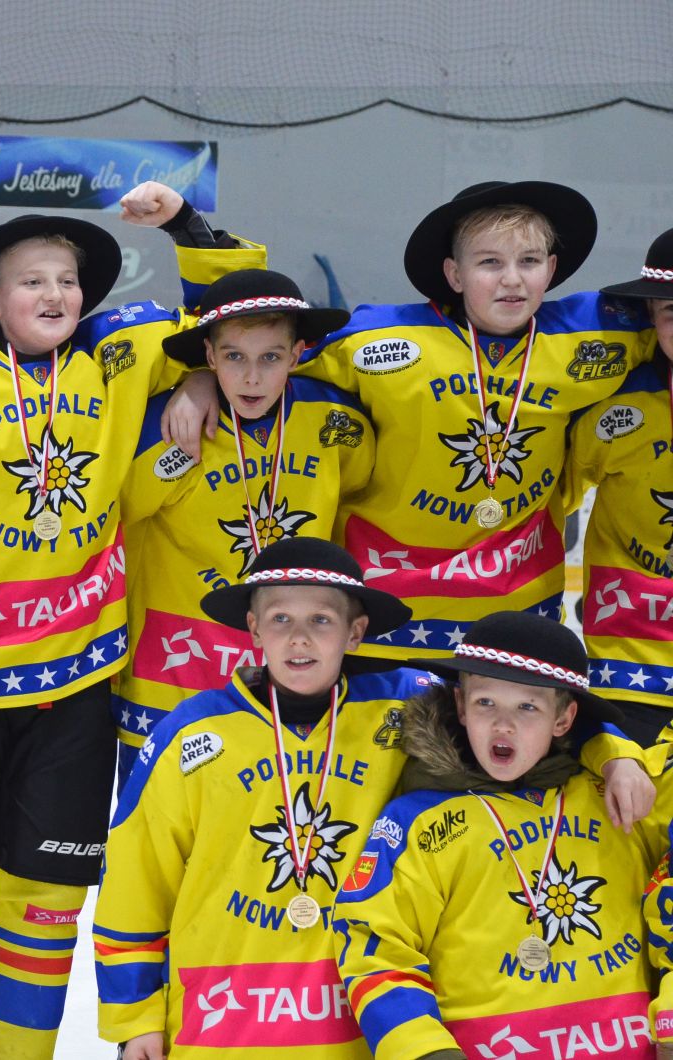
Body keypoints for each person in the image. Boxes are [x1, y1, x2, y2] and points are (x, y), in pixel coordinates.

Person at [0, 189, 257, 1059]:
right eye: (31, 282)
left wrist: (188, 262)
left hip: (76, 687)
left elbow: (230, 313)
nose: (54, 294)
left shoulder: (118, 355)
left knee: (48, 899)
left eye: (66, 280)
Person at [91, 538, 650, 1058]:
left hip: (357, 1033)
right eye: (280, 618)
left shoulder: (405, 703)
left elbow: (532, 708)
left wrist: (618, 756)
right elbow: (137, 876)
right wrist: (133, 1015)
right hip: (219, 1030)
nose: (299, 638)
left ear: (355, 633)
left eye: (321, 620)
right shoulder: (191, 732)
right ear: (253, 629)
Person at [296, 181, 655, 661]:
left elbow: (664, 324)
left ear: (551, 270)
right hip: (389, 604)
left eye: (529, 261)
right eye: (489, 263)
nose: (512, 279)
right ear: (455, 274)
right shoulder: (374, 339)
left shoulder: (599, 335)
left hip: (520, 606)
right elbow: (264, 361)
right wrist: (200, 383)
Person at [334, 611, 673, 1059]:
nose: (503, 725)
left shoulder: (622, 798)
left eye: (527, 708)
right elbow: (374, 946)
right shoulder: (416, 820)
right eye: (485, 703)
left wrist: (617, 756)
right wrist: (426, 1052)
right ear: (460, 706)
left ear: (564, 719)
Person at [113, 269, 368, 783]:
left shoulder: (336, 423)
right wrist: (192, 385)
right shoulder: (165, 427)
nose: (252, 377)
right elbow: (118, 518)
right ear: (208, 356)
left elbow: (357, 492)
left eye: (270, 357)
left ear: (297, 355)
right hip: (172, 665)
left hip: (285, 663)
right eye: (234, 357)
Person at [564, 228, 673, 746]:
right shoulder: (615, 406)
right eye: (672, 313)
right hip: (631, 664)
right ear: (650, 316)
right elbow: (548, 498)